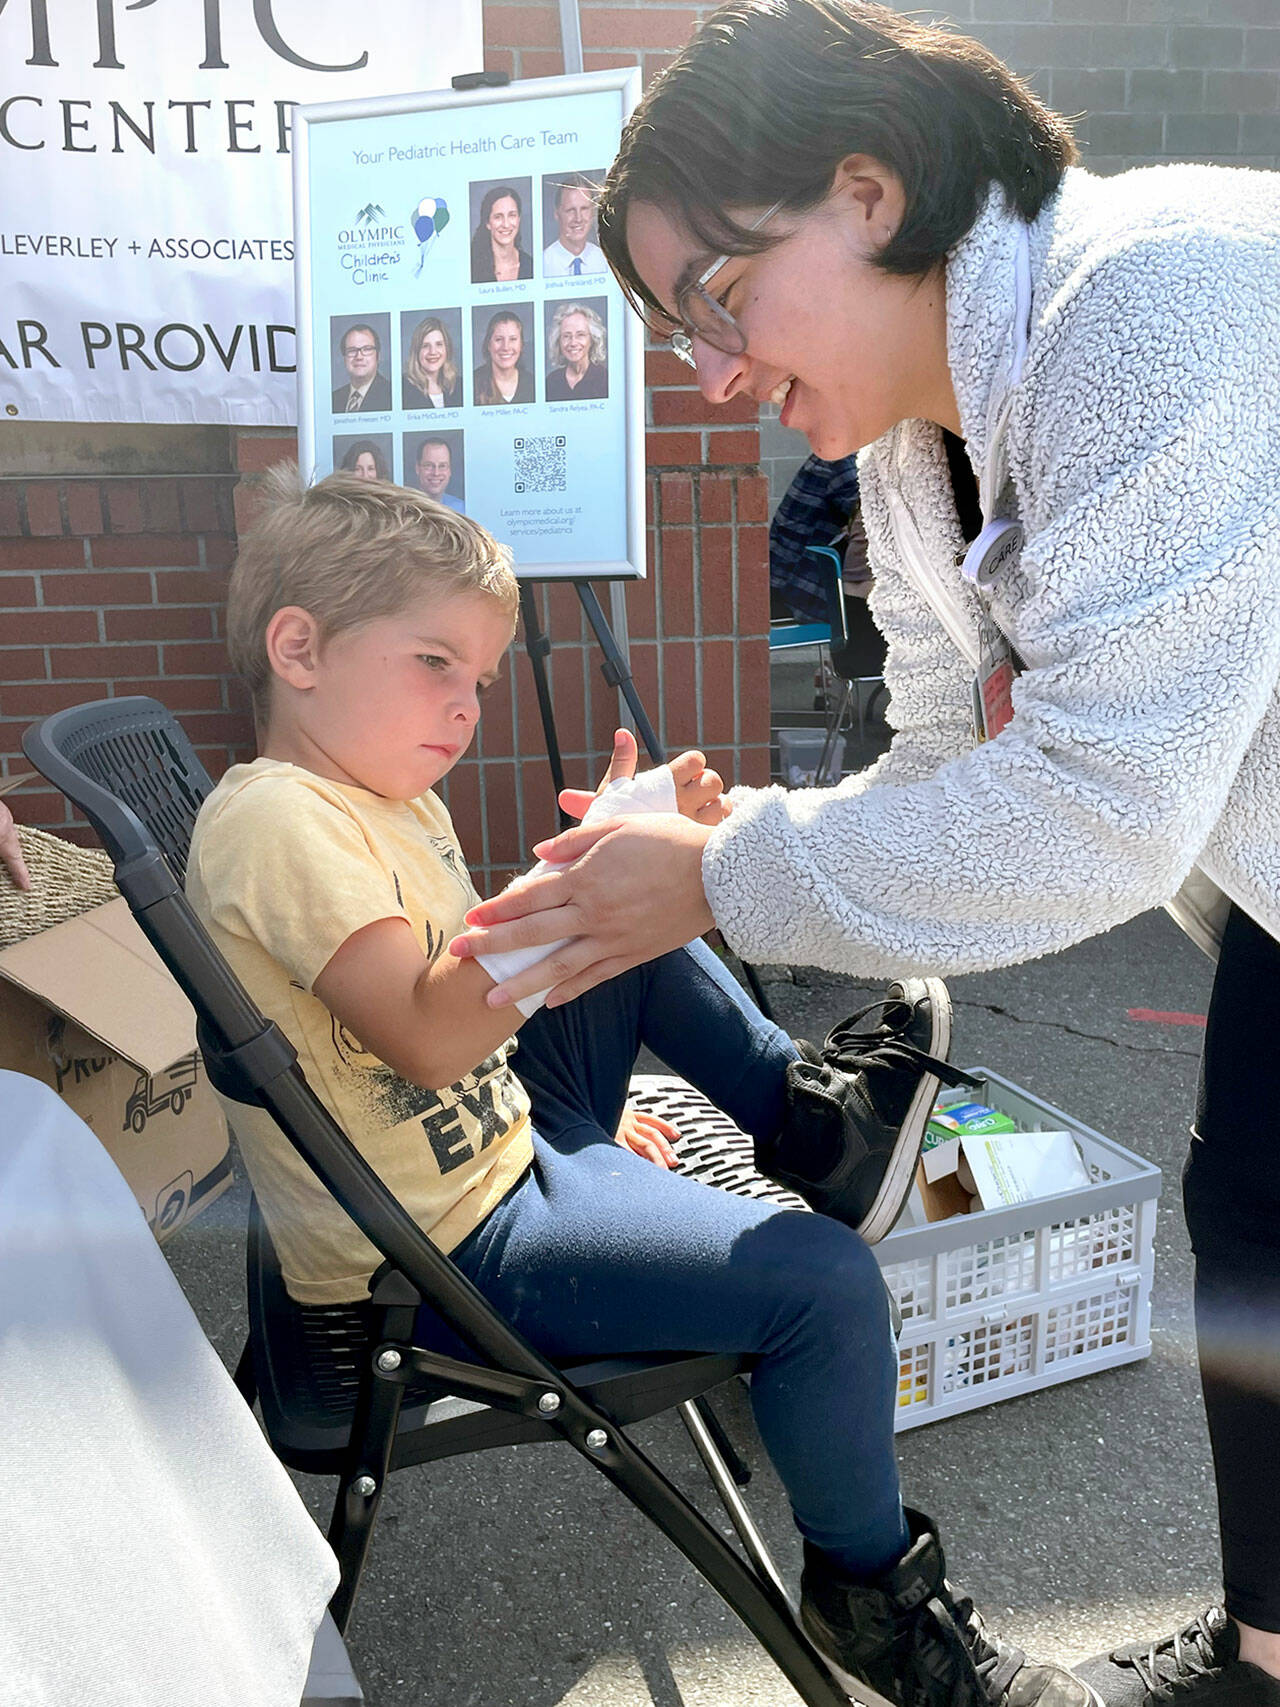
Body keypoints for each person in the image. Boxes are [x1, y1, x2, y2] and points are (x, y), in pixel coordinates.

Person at [449, 5, 1280, 1705]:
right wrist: (736, 833)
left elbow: (1099, 807)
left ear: (867, 188)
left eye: (716, 299)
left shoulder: (1153, 298)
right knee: (1254, 1217)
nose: (713, 374)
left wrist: (712, 873)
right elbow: (947, 761)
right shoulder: (915, 441)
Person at [184, 466, 1087, 1707]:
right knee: (821, 1288)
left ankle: (812, 1123)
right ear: (299, 647)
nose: (467, 708)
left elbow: (469, 980)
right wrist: (601, 877)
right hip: (450, 1247)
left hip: (491, 1142)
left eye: (482, 680)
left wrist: (617, 849)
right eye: (433, 663)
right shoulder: (281, 823)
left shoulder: (369, 795)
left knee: (636, 927)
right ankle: (870, 1605)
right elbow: (430, 1037)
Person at [543, 173, 605, 278]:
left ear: (593, 212)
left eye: (584, 209)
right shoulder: (543, 263)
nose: (578, 218)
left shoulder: (604, 260)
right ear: (557, 214)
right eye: (570, 210)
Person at [544, 302, 608, 402]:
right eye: (566, 336)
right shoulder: (551, 382)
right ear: (558, 341)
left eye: (580, 335)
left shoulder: (605, 379)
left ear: (592, 339)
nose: (573, 343)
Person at [470, 185, 533, 284]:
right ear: (487, 223)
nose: (506, 224)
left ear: (519, 219)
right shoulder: (472, 266)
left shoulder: (530, 265)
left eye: (512, 215)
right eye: (498, 217)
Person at [472, 311, 534, 407]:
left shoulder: (532, 384)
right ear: (489, 345)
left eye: (513, 339)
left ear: (521, 344)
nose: (506, 347)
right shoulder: (472, 384)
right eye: (499, 339)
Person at [402, 315, 463, 411]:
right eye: (425, 346)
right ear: (417, 351)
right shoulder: (403, 389)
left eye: (439, 344)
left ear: (447, 349)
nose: (433, 352)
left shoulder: (459, 386)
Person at [331, 324, 392, 414]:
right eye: (352, 350)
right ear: (344, 359)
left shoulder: (392, 396)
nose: (359, 357)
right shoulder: (333, 399)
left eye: (367, 349)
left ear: (378, 356)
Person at [413, 437, 464, 513]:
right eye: (429, 465)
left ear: (450, 470)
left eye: (442, 466)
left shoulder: (462, 509)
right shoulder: (406, 508)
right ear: (417, 468)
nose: (436, 473)